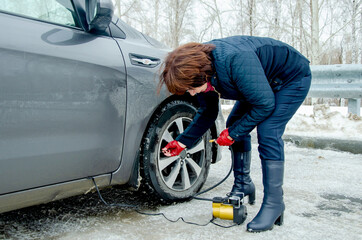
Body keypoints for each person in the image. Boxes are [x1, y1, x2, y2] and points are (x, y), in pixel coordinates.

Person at [158, 36, 311, 232]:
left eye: (192, 89)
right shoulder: (203, 70)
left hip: (290, 78)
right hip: (259, 81)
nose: (192, 94)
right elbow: (208, 112)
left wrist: (233, 133)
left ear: (203, 76)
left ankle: (274, 204)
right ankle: (243, 184)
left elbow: (265, 105)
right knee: (234, 123)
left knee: (268, 132)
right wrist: (182, 143)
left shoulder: (234, 60)